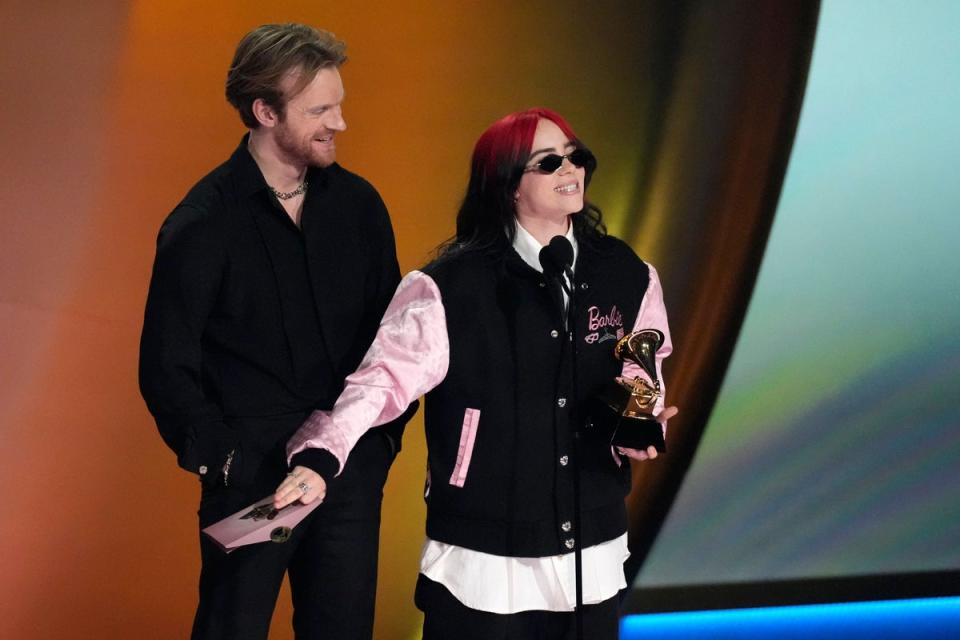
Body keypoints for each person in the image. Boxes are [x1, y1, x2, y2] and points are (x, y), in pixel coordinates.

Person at [275, 107, 676, 639]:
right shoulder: (450, 288)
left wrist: (638, 426)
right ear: (508, 184)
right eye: (549, 162)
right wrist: (322, 457)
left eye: (576, 157)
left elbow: (643, 370)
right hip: (484, 553)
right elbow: (381, 383)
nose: (570, 170)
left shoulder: (626, 274)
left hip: (591, 547)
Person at [139, 23, 414, 640]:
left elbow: (394, 343)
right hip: (254, 484)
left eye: (339, 104)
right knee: (232, 629)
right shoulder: (203, 223)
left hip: (345, 473)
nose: (339, 123)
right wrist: (228, 463)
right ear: (264, 111)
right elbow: (165, 366)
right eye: (320, 110)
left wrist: (376, 448)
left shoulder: (360, 207)